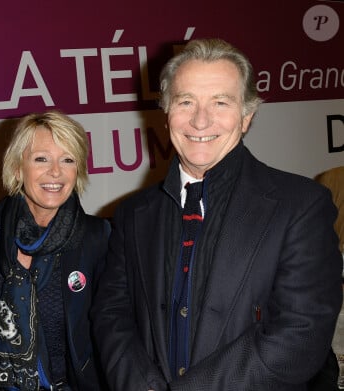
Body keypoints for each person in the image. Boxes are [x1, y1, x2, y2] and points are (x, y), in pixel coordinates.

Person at [91, 38, 342, 391]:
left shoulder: (301, 205)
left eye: (220, 102)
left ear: (247, 117)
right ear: (167, 113)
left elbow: (301, 333)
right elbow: (111, 315)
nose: (200, 120)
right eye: (186, 101)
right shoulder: (132, 214)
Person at [0, 111, 110, 390]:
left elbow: (112, 328)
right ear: (18, 167)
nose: (55, 172)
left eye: (68, 160)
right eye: (41, 158)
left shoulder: (99, 237)